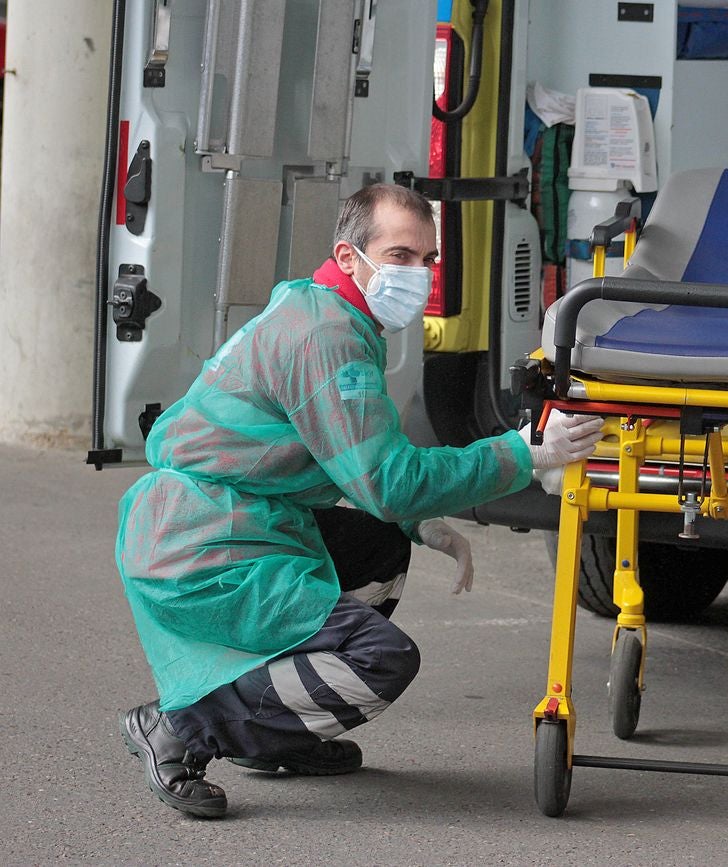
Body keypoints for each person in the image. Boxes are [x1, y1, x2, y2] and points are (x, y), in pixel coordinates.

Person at [116, 183, 604, 818]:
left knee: (380, 546)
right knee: (381, 659)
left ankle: (279, 736)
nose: (418, 275)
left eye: (428, 260)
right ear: (350, 257)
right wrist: (522, 453)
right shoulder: (328, 339)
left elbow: (355, 457)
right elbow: (387, 481)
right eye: (399, 256)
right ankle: (183, 728)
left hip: (215, 522)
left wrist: (421, 522)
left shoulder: (321, 308)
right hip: (206, 548)